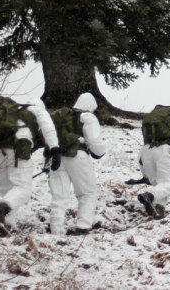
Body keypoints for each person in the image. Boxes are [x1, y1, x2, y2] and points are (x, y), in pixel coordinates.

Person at [0, 96, 60, 236]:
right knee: (23, 189)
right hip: (18, 149)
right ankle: (0, 210)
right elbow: (48, 128)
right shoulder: (37, 110)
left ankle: (6, 224)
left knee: (8, 191)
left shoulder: (11, 115)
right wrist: (55, 149)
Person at [48, 93, 108, 235]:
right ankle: (83, 226)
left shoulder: (62, 117)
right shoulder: (87, 117)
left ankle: (56, 229)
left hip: (57, 157)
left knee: (59, 195)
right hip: (78, 156)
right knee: (87, 192)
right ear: (91, 107)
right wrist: (100, 152)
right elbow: (93, 141)